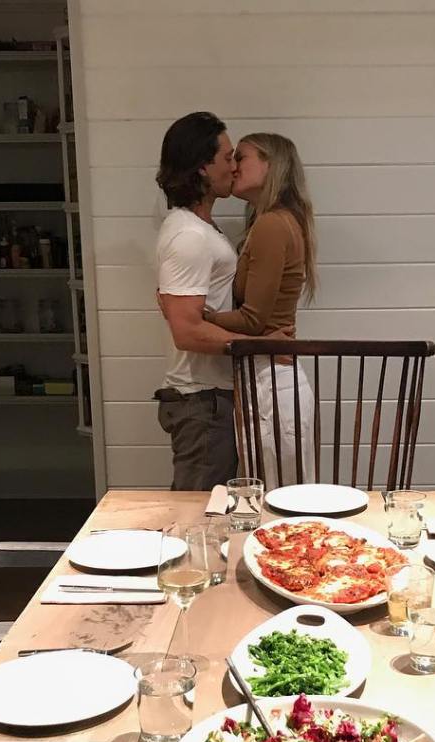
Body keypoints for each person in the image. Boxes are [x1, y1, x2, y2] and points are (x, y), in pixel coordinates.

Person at [203, 133, 318, 487]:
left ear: (271, 165)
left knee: (277, 500)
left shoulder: (272, 224)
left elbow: (253, 319)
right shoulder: (277, 221)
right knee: (278, 495)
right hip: (270, 375)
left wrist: (199, 318)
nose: (234, 166)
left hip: (271, 379)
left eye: (244, 157)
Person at [154, 111, 240, 491]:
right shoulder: (189, 235)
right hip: (202, 403)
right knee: (197, 520)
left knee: (217, 517)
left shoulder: (202, 230)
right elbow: (186, 331)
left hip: (211, 400)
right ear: (204, 167)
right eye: (228, 157)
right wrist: (262, 348)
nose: (234, 167)